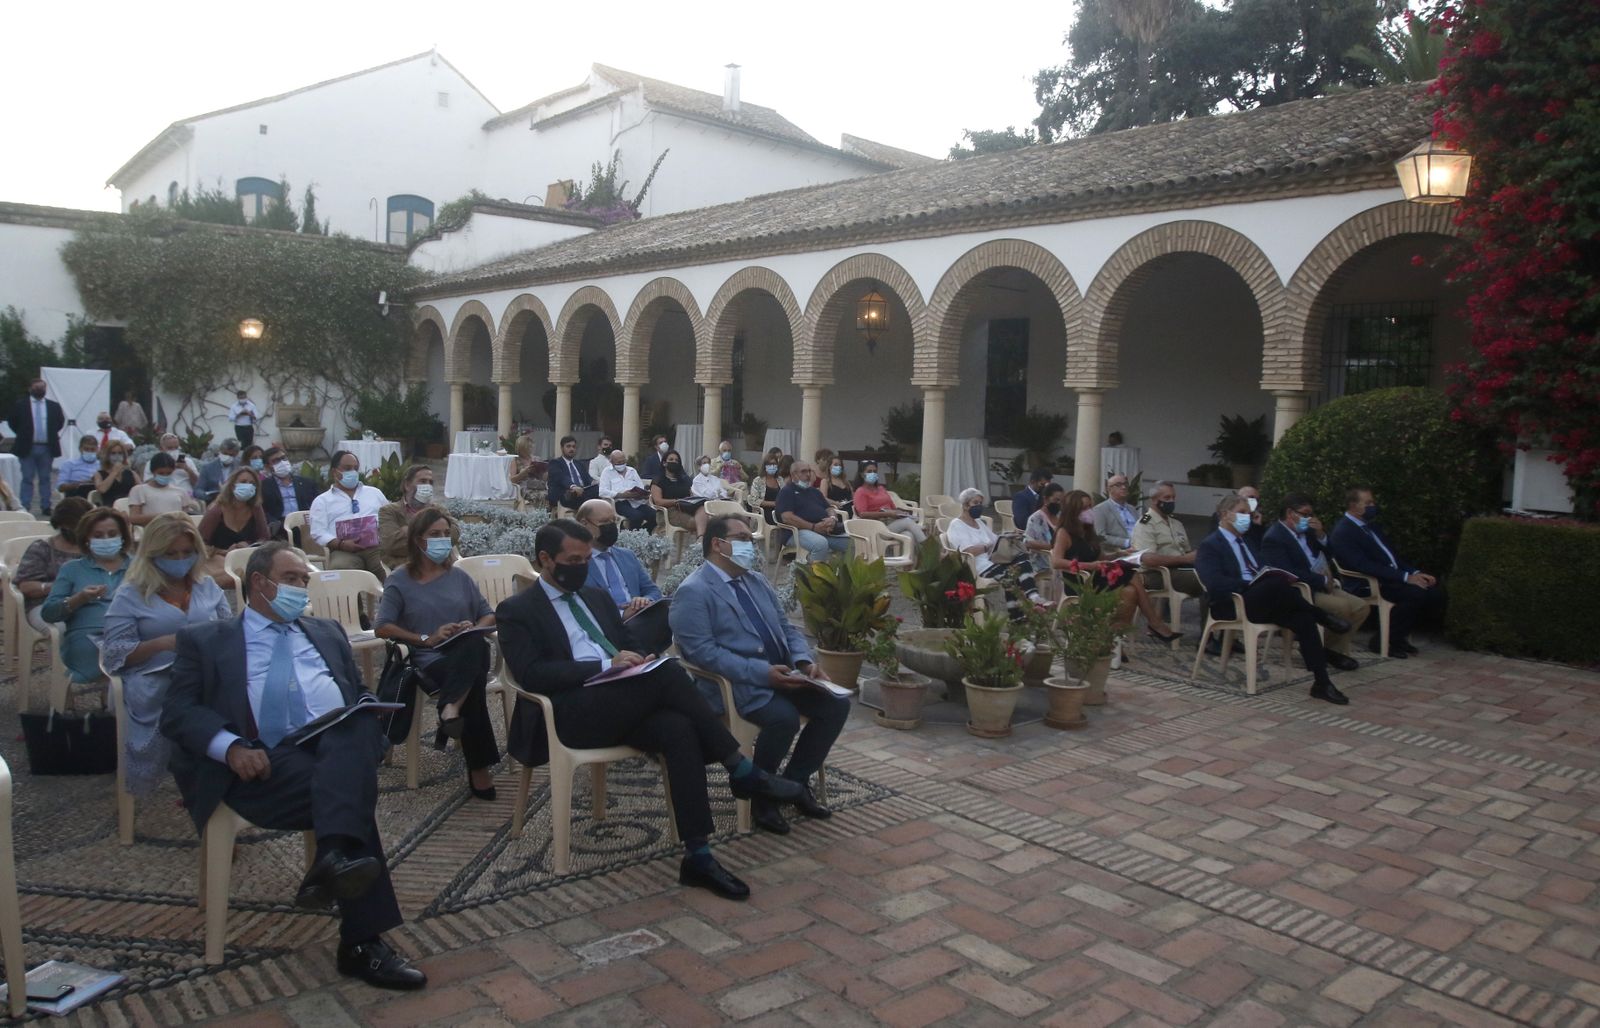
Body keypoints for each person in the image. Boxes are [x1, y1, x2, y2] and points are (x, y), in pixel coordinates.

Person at [160, 542, 427, 989]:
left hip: (329, 747)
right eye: (292, 579)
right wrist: (230, 748)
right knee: (350, 794)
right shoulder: (208, 640)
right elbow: (178, 712)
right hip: (261, 763)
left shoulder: (324, 631)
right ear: (259, 583)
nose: (302, 588)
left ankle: (334, 859)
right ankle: (359, 936)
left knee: (357, 727)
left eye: (305, 580)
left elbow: (356, 691)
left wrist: (368, 709)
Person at [496, 519, 806, 901]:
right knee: (671, 675)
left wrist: (641, 658)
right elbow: (531, 674)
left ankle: (699, 855)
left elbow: (628, 641)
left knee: (678, 728)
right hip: (569, 712)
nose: (582, 566)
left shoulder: (596, 597)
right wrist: (603, 667)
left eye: (586, 558)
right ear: (545, 559)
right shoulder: (517, 609)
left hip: (624, 702)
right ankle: (742, 769)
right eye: (572, 560)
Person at [671, 515, 847, 836]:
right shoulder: (693, 591)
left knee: (835, 705)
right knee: (784, 719)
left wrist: (804, 662)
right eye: (741, 537)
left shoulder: (756, 580)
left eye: (750, 538)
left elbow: (785, 627)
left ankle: (793, 784)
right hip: (738, 685)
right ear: (717, 544)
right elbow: (703, 654)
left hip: (786, 672)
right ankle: (762, 798)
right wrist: (764, 674)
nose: (749, 544)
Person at [102, 513, 235, 796]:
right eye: (170, 553)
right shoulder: (131, 594)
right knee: (184, 701)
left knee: (242, 695)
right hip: (153, 675)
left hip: (204, 671)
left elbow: (229, 630)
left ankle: (219, 776)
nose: (179, 559)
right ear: (153, 554)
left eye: (187, 552)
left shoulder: (206, 586)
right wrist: (162, 643)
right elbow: (114, 653)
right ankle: (191, 771)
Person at [374, 509, 499, 798]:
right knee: (475, 679)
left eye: (445, 534)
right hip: (430, 658)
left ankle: (451, 707)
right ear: (418, 540)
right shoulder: (400, 580)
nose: (442, 539)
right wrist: (427, 638)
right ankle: (476, 765)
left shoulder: (459, 577)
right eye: (434, 535)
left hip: (467, 648)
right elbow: (382, 627)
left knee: (474, 644)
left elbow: (488, 615)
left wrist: (471, 627)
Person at [1196, 494, 1353, 705]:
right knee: (1276, 584)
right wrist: (1251, 585)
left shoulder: (1250, 541)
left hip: (1264, 600)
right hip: (1234, 603)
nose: (1248, 518)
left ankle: (1322, 682)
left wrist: (1265, 580)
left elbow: (1263, 568)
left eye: (1249, 514)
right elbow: (1215, 584)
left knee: (1301, 617)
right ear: (1225, 515)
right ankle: (1322, 615)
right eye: (1242, 513)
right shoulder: (1211, 545)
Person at [1328, 486, 1448, 658]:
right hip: (1367, 583)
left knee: (1434, 594)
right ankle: (1382, 641)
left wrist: (1416, 572)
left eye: (1373, 502)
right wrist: (1406, 578)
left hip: (1388, 578)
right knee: (1415, 594)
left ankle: (1398, 637)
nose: (1372, 506)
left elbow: (1392, 558)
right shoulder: (1344, 532)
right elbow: (1363, 565)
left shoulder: (1371, 527)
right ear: (1353, 506)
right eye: (1367, 503)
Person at [1050, 490, 1181, 641]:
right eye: (1084, 508)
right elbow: (1056, 561)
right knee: (1132, 575)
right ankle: (1154, 622)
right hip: (1080, 580)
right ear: (1074, 511)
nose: (1089, 512)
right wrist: (1091, 566)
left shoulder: (1087, 531)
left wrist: (1120, 554)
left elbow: (1101, 558)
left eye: (1090, 507)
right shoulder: (1064, 533)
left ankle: (1114, 639)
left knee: (1130, 591)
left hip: (1096, 577)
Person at [1261, 493, 1365, 668]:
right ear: (1289, 513)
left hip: (1322, 584)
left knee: (1361, 607)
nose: (1309, 519)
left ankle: (1326, 650)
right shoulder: (1275, 537)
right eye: (1304, 514)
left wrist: (1321, 535)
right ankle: (1316, 650)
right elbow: (1287, 572)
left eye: (1310, 514)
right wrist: (1322, 579)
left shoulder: (1308, 532)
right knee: (1342, 608)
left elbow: (1331, 554)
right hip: (1301, 590)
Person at [41, 507, 133, 686]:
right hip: (88, 638)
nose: (106, 539)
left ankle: (122, 708)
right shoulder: (72, 569)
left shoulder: (139, 567)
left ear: (123, 536)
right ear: (86, 540)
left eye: (112, 534)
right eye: (98, 536)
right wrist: (79, 598)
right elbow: (49, 613)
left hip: (132, 634)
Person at [575, 499, 670, 654]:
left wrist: (644, 601)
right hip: (607, 628)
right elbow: (581, 606)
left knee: (669, 608)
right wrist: (621, 615)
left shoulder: (626, 556)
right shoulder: (577, 562)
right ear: (584, 524)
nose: (611, 526)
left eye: (614, 520)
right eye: (604, 522)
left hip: (639, 618)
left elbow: (653, 591)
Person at [946, 487, 1044, 620]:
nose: (979, 506)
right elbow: (967, 551)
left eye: (980, 503)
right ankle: (1019, 619)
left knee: (1021, 557)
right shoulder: (956, 525)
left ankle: (1033, 596)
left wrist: (1009, 537)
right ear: (965, 505)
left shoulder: (979, 522)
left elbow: (995, 540)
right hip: (978, 566)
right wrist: (987, 547)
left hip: (994, 560)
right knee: (1012, 579)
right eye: (975, 503)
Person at [14, 498, 94, 638]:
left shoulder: (93, 549)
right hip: (45, 605)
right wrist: (62, 587)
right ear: (63, 525)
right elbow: (26, 586)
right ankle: (63, 660)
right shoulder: (42, 548)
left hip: (88, 604)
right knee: (62, 629)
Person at [310, 451, 388, 579]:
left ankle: (388, 598)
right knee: (341, 573)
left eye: (355, 468)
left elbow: (387, 517)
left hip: (376, 548)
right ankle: (351, 600)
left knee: (388, 569)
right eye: (347, 468)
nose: (353, 472)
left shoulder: (374, 493)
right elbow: (318, 532)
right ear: (334, 472)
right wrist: (341, 544)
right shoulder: (322, 501)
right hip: (343, 550)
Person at [197, 467, 269, 590]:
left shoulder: (256, 508)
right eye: (243, 482)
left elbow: (264, 538)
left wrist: (248, 545)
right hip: (217, 559)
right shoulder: (217, 511)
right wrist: (222, 552)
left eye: (252, 483)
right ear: (232, 485)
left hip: (246, 557)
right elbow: (198, 543)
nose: (248, 486)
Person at [1130, 481, 1203, 598]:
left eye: (1173, 497)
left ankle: (1214, 615)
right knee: (1204, 579)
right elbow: (1148, 559)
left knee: (1213, 574)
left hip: (1180, 570)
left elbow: (1187, 552)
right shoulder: (1145, 524)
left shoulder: (1176, 523)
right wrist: (1183, 559)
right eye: (1167, 498)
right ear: (1154, 500)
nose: (1171, 501)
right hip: (1156, 573)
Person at [776, 461, 850, 562]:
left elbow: (829, 508)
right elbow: (787, 517)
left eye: (809, 471)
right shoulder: (787, 491)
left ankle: (839, 575)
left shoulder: (814, 492)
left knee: (851, 542)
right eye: (803, 471)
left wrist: (832, 519)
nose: (808, 474)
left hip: (824, 530)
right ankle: (810, 575)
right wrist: (813, 527)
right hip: (797, 532)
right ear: (794, 474)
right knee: (820, 544)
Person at [10, 377, 65, 514]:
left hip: (47, 447)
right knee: (27, 477)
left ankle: (46, 506)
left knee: (45, 478)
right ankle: (25, 505)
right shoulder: (21, 405)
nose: (39, 390)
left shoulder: (53, 406)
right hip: (27, 446)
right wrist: (24, 434)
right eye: (36, 388)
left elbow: (59, 422)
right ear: (30, 389)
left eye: (42, 388)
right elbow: (13, 422)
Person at [852, 461, 926, 546]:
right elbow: (862, 514)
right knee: (907, 522)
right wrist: (887, 513)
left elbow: (892, 507)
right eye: (869, 471)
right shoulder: (860, 492)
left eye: (875, 471)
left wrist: (900, 513)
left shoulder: (881, 489)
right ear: (862, 475)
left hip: (891, 523)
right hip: (876, 526)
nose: (872, 474)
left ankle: (922, 558)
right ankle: (933, 550)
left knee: (909, 535)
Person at [379, 465, 436, 566]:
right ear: (407, 485)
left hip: (438, 566)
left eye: (430, 482)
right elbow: (391, 545)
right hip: (405, 568)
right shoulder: (388, 511)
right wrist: (433, 534)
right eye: (423, 481)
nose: (428, 486)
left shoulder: (438, 510)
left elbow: (454, 535)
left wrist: (409, 530)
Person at [261, 446, 319, 541]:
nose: (282, 462)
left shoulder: (306, 483)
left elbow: (317, 504)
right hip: (280, 528)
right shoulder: (263, 486)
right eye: (276, 461)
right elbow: (263, 511)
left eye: (283, 458)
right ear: (267, 466)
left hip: (305, 524)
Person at [128, 452, 203, 524]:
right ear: (152, 471)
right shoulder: (139, 490)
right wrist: (163, 517)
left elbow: (185, 517)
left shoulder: (180, 492)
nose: (165, 476)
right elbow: (133, 518)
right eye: (161, 473)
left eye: (168, 473)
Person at [651, 449, 709, 537]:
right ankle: (701, 540)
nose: (674, 462)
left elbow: (691, 495)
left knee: (704, 512)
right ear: (664, 463)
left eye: (676, 460)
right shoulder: (658, 480)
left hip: (686, 508)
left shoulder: (684, 480)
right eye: (671, 460)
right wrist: (676, 501)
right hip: (669, 512)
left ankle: (700, 539)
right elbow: (658, 501)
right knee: (701, 522)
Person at [599, 449, 656, 532]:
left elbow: (640, 487)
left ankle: (642, 534)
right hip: (619, 503)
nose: (621, 464)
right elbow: (602, 492)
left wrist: (641, 495)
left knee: (654, 516)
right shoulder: (607, 472)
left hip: (636, 501)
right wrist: (621, 495)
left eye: (623, 462)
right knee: (637, 516)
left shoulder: (632, 471)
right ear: (611, 462)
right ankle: (632, 538)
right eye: (618, 463)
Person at [1092, 474, 1140, 553]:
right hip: (1118, 552)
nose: (1124, 487)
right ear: (1109, 489)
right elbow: (1100, 536)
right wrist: (1127, 543)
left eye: (1125, 484)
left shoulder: (1132, 509)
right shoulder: (1100, 509)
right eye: (1118, 485)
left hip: (1138, 548)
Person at [1024, 482, 1066, 571]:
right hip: (1044, 561)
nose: (1059, 504)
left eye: (1061, 501)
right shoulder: (1036, 518)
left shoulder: (1060, 516)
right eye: (1056, 500)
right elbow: (1028, 542)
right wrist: (1053, 547)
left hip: (1063, 559)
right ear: (1046, 500)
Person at [546, 435, 595, 512]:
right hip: (566, 494)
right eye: (568, 446)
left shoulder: (579, 464)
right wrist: (573, 486)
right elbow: (561, 478)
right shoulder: (555, 463)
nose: (572, 449)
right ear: (562, 448)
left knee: (598, 491)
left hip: (582, 492)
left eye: (574, 447)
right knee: (589, 500)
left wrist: (593, 482)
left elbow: (587, 478)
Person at [92, 439, 140, 506]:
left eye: (120, 453)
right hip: (109, 508)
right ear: (107, 455)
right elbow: (102, 489)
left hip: (129, 506)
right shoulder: (99, 474)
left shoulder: (132, 473)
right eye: (113, 453)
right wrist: (114, 472)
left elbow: (141, 490)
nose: (117, 456)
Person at [196, 438, 243, 504]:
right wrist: (209, 496)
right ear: (220, 451)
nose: (227, 457)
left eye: (231, 455)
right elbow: (198, 490)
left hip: (235, 503)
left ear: (237, 454)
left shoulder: (241, 467)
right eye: (225, 454)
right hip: (214, 503)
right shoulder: (208, 468)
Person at [57, 435, 103, 500]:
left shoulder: (102, 465)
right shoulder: (69, 464)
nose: (89, 452)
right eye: (86, 449)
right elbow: (60, 487)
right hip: (76, 495)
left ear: (97, 449)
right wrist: (77, 485)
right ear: (80, 449)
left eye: (92, 449)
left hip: (97, 495)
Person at [508, 435, 547, 508]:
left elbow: (544, 478)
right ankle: (534, 515)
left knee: (548, 495)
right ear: (521, 448)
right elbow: (512, 480)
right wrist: (522, 474)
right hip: (524, 486)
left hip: (538, 485)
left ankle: (543, 515)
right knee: (535, 495)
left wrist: (545, 472)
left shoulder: (537, 459)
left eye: (531, 447)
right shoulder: (515, 460)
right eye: (528, 447)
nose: (530, 449)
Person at [817, 453, 853, 518]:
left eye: (840, 465)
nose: (838, 467)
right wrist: (836, 503)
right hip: (836, 511)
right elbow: (823, 498)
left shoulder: (846, 482)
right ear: (829, 466)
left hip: (850, 510)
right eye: (835, 465)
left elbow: (853, 496)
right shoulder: (825, 481)